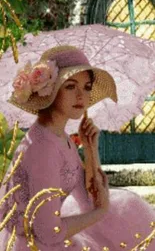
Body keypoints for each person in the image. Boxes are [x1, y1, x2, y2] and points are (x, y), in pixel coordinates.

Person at [0, 45, 155, 251]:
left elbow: (89, 200)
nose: (82, 96)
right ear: (51, 90)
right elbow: (48, 232)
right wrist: (99, 213)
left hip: (49, 241)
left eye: (87, 87)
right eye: (71, 86)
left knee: (131, 213)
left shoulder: (58, 137)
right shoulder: (42, 148)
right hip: (34, 246)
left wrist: (91, 150)